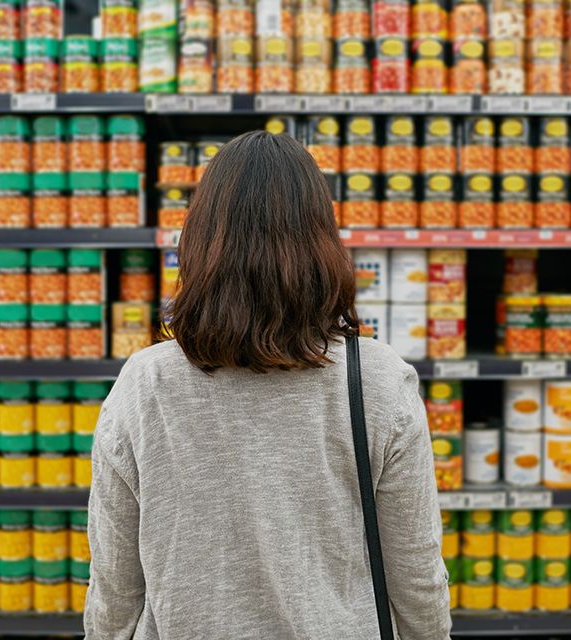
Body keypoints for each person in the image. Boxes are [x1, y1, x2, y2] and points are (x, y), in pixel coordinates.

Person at [84, 130, 451, 640]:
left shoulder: (146, 383)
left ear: (198, 241)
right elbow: (416, 579)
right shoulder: (378, 381)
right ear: (323, 241)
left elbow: (115, 590)